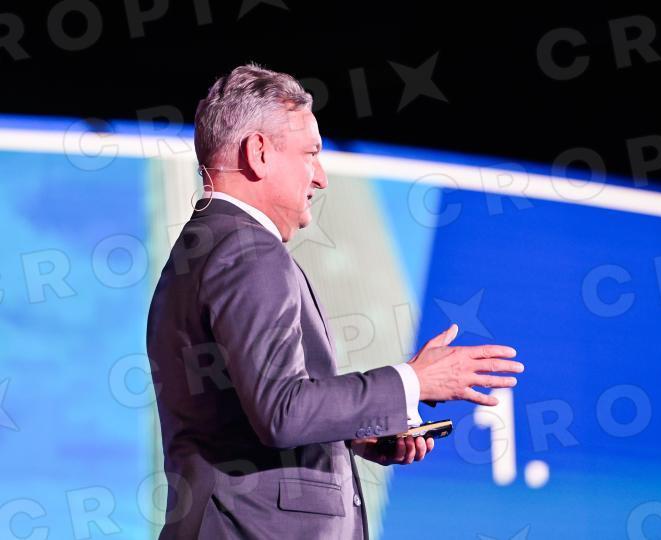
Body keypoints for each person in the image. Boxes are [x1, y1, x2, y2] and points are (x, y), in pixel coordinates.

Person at [146, 63, 524, 539]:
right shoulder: (249, 250)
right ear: (258, 153)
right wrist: (414, 380)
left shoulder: (199, 250)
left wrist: (354, 432)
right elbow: (282, 411)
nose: (321, 177)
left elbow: (242, 414)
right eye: (310, 153)